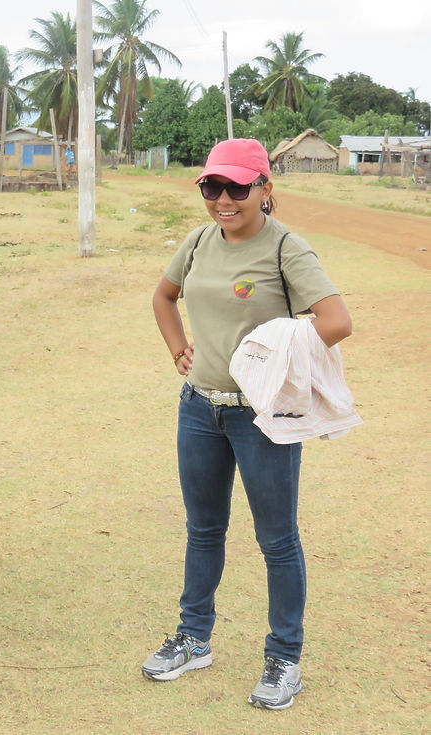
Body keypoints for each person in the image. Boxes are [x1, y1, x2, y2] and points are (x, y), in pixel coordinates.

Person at [146, 138, 353, 709]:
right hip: (199, 409)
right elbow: (163, 297)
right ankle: (194, 638)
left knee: (277, 540)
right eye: (212, 187)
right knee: (203, 530)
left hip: (263, 417)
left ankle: (285, 658)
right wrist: (178, 349)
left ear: (265, 188)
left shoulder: (287, 248)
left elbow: (336, 321)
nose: (224, 199)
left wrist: (279, 353)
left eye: (238, 187)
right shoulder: (197, 242)